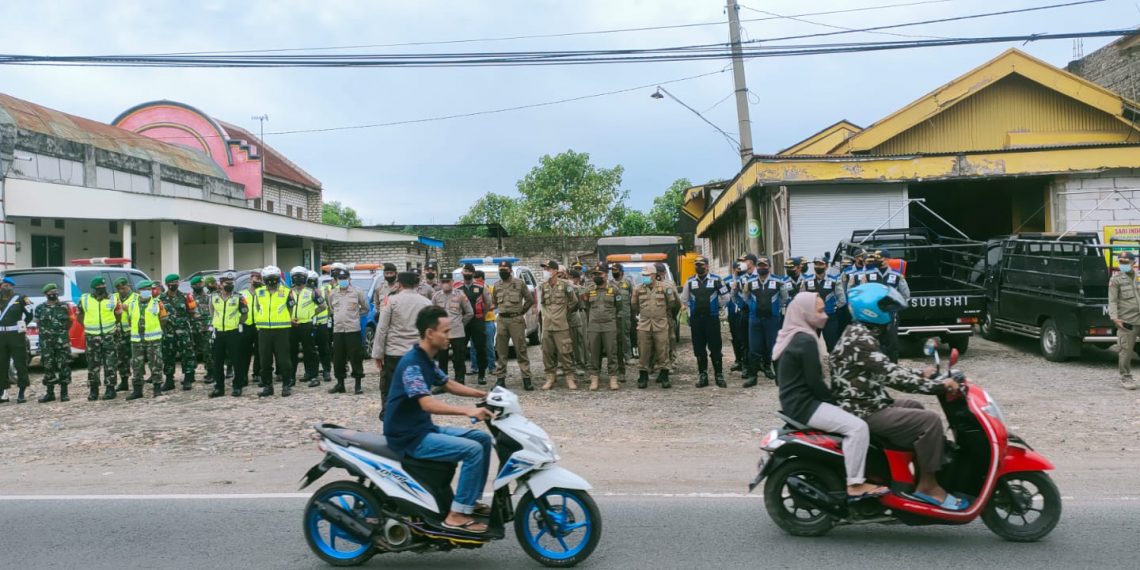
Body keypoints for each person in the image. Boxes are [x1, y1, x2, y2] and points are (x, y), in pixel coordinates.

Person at [831, 283, 966, 511]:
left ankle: (911, 471)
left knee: (914, 407)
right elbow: (894, 377)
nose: (892, 314)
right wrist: (939, 386)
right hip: (861, 410)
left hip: (867, 401)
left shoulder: (860, 332)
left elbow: (885, 368)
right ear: (872, 310)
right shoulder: (860, 339)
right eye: (888, 309)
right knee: (929, 421)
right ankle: (928, 485)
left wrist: (920, 373)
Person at [383, 305, 494, 533]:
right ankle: (456, 515)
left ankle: (469, 501)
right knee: (472, 450)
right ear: (429, 333)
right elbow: (427, 403)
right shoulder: (412, 363)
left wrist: (483, 394)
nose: (449, 336)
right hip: (409, 437)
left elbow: (447, 384)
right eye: (445, 331)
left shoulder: (425, 359)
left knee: (481, 439)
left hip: (423, 429)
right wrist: (467, 411)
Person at [775, 293, 887, 499]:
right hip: (805, 405)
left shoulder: (793, 334)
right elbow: (815, 382)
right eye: (819, 311)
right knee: (858, 427)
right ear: (804, 313)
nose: (824, 315)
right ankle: (855, 484)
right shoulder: (805, 340)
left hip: (795, 401)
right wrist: (834, 402)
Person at [374, 272, 433, 409]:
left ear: (399, 284)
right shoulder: (426, 302)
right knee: (416, 386)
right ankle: (413, 411)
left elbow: (382, 328)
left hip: (394, 351)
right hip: (416, 352)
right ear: (416, 284)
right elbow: (430, 330)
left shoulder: (392, 301)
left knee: (390, 385)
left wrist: (378, 354)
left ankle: (388, 412)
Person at [680, 256, 730, 388]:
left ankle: (719, 374)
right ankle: (703, 375)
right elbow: (684, 299)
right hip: (696, 319)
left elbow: (726, 297)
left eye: (701, 265)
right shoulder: (690, 281)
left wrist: (717, 307)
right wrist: (692, 309)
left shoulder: (716, 280)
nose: (699, 267)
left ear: (707, 266)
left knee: (715, 347)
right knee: (699, 347)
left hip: (711, 318)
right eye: (697, 265)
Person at [631, 263, 679, 389]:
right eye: (643, 275)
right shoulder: (637, 289)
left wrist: (662, 314)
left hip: (660, 323)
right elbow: (634, 306)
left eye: (647, 275)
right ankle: (643, 376)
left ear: (654, 275)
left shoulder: (665, 287)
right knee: (643, 351)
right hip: (644, 324)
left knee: (662, 349)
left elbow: (672, 304)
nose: (645, 277)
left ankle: (664, 375)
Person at [491, 260, 535, 391]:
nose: (502, 270)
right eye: (500, 268)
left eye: (505, 268)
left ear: (510, 270)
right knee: (501, 351)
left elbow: (530, 300)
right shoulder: (496, 285)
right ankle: (500, 380)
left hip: (516, 320)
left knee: (520, 350)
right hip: (502, 320)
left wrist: (521, 312)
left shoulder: (519, 283)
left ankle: (526, 379)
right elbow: (494, 303)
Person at [252, 265, 295, 398]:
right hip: (264, 331)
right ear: (264, 280)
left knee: (283, 360)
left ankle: (286, 385)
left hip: (282, 330)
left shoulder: (287, 291)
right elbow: (257, 309)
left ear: (278, 279)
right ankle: (267, 386)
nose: (271, 282)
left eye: (274, 279)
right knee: (265, 360)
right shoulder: (259, 292)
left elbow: (291, 308)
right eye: (268, 279)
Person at [77, 276, 123, 401]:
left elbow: (118, 316)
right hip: (92, 337)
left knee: (110, 364)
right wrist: (88, 326)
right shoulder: (85, 299)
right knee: (93, 365)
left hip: (109, 336)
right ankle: (93, 390)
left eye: (103, 287)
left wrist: (111, 325)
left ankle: (110, 389)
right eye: (99, 288)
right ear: (94, 289)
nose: (101, 289)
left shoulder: (113, 298)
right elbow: (79, 316)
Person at [859, 250, 909, 363]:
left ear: (886, 260)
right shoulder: (867, 275)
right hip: (873, 315)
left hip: (890, 315)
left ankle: (893, 368)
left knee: (892, 343)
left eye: (879, 258)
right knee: (874, 343)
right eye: (876, 258)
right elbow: (863, 292)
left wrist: (896, 307)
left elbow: (906, 295)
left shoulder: (896, 275)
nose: (876, 261)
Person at [327, 264, 370, 395]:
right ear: (337, 280)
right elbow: (331, 309)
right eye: (340, 278)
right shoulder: (333, 293)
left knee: (356, 357)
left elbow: (365, 308)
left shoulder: (357, 292)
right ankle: (340, 384)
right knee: (338, 358)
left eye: (345, 278)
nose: (342, 280)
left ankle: (358, 384)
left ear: (349, 279)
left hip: (353, 330)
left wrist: (354, 316)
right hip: (338, 330)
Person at [744, 256, 787, 386]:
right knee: (754, 348)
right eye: (760, 265)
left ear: (769, 267)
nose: (762, 267)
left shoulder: (779, 282)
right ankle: (753, 377)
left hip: (772, 320)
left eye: (765, 265)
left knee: (774, 347)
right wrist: (753, 307)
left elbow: (784, 299)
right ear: (757, 267)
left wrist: (773, 309)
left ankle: (779, 377)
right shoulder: (750, 282)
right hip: (755, 319)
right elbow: (746, 298)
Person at [538, 260, 578, 390]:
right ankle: (550, 376)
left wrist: (564, 314)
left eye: (548, 269)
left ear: (555, 271)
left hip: (561, 325)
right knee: (547, 352)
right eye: (544, 269)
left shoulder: (565, 286)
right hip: (548, 325)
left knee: (565, 351)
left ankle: (569, 377)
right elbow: (542, 303)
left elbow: (574, 301)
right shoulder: (543, 286)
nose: (546, 272)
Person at [125, 280, 168, 399]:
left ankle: (157, 389)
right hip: (137, 340)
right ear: (139, 291)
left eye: (149, 289)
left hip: (153, 339)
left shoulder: (157, 303)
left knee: (156, 364)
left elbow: (163, 319)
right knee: (136, 365)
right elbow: (130, 320)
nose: (148, 292)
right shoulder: (132, 304)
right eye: (145, 290)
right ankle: (137, 390)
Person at [209, 272, 248, 398]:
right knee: (217, 362)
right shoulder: (213, 297)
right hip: (219, 333)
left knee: (237, 361)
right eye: (227, 284)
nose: (230, 286)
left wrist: (237, 323)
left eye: (231, 284)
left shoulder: (239, 297)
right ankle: (218, 388)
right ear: (221, 285)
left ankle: (237, 387)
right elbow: (212, 312)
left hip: (233, 333)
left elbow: (244, 314)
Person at [583, 262, 621, 391]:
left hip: (609, 325)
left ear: (606, 275)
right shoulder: (589, 290)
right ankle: (594, 377)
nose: (596, 276)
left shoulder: (614, 290)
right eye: (595, 274)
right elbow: (587, 307)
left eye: (599, 274)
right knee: (593, 352)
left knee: (611, 352)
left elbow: (619, 307)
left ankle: (613, 377)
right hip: (594, 325)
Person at [35, 283, 73, 403]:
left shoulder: (64, 306)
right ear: (46, 294)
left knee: (64, 366)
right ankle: (50, 393)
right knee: (48, 366)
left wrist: (62, 332)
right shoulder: (40, 308)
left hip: (62, 342)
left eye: (55, 292)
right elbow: (38, 323)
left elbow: (70, 322)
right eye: (50, 292)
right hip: (46, 343)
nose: (53, 294)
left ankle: (64, 393)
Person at [432, 278, 473, 383]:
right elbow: (431, 313)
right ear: (440, 283)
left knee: (459, 357)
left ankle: (459, 380)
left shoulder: (460, 295)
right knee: (442, 358)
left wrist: (460, 323)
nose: (445, 284)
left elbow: (469, 312)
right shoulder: (436, 296)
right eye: (443, 282)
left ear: (452, 282)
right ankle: (443, 382)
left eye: (448, 281)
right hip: (442, 333)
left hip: (457, 332)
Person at [160, 274, 197, 392]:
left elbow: (192, 312)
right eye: (172, 282)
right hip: (168, 333)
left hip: (183, 332)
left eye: (176, 282)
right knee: (168, 356)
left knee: (187, 355)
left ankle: (187, 379)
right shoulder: (161, 299)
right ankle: (169, 380)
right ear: (167, 284)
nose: (175, 284)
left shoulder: (186, 297)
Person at [1109, 251, 1140, 390]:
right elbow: (1113, 301)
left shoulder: (1138, 277)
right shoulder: (1116, 280)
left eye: (1125, 262)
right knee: (1126, 350)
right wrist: (1115, 318)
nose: (1123, 264)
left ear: (1133, 262)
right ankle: (1126, 377)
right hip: (1127, 320)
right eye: (1120, 262)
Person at [288, 266, 323, 387]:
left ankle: (313, 375)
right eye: (295, 277)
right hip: (292, 325)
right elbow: (284, 308)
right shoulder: (288, 292)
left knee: (310, 351)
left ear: (305, 278)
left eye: (301, 277)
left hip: (307, 325)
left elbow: (323, 306)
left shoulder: (312, 291)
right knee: (292, 352)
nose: (298, 279)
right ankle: (291, 377)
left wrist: (312, 313)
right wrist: (289, 319)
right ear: (292, 278)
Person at [804, 257, 847, 352]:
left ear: (826, 266)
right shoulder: (806, 280)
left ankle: (833, 364)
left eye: (821, 264)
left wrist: (833, 308)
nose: (818, 266)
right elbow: (802, 298)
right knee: (810, 346)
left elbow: (842, 300)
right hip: (812, 319)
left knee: (832, 346)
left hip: (829, 318)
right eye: (816, 264)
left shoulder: (834, 280)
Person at [0, 277, 32, 403]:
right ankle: (3, 392)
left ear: (12, 286)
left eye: (7, 285)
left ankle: (21, 391)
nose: (4, 287)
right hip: (1, 335)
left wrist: (23, 324)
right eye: (3, 285)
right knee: (2, 364)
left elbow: (30, 313)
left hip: (16, 335)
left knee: (20, 363)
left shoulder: (20, 298)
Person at [459, 264, 491, 384]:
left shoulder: (481, 286)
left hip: (477, 321)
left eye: (468, 271)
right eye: (464, 271)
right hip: (462, 322)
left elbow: (488, 303)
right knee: (460, 349)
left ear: (473, 273)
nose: (466, 273)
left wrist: (483, 315)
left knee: (480, 348)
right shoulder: (457, 287)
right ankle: (460, 375)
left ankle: (482, 374)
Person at [726, 256, 750, 376]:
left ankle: (749, 362)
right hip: (732, 312)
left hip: (744, 311)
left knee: (745, 338)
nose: (738, 270)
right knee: (735, 337)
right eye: (737, 268)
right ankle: (738, 360)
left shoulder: (748, 280)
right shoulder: (727, 280)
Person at [610, 263, 634, 382]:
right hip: (613, 315)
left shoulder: (627, 283)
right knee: (615, 337)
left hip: (625, 313)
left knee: (625, 334)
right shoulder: (610, 283)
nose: (614, 272)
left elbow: (632, 297)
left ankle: (627, 356)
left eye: (616, 270)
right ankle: (615, 358)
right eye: (612, 270)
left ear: (621, 271)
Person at [239, 271, 262, 387]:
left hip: (259, 326)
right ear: (250, 279)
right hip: (246, 325)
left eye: (259, 279)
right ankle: (243, 375)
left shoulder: (263, 294)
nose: (257, 281)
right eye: (255, 278)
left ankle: (257, 373)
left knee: (260, 352)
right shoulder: (242, 294)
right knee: (245, 353)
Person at [112, 277, 136, 392]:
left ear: (128, 286)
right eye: (119, 289)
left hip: (133, 332)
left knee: (136, 358)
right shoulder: (114, 298)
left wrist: (129, 308)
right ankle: (124, 382)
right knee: (121, 358)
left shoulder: (136, 297)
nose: (121, 291)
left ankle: (137, 381)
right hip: (119, 333)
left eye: (123, 288)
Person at [189, 276, 214, 384]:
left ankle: (211, 373)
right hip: (193, 328)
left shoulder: (209, 297)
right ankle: (190, 374)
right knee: (192, 352)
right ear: (193, 286)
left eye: (201, 284)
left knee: (208, 351)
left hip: (206, 328)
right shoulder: (189, 298)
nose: (200, 286)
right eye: (198, 284)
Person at [311, 271, 333, 383]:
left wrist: (329, 320)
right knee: (311, 351)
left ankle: (326, 370)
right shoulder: (303, 292)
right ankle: (311, 373)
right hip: (309, 325)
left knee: (324, 348)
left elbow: (329, 306)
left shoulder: (323, 290)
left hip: (322, 324)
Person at [567, 267, 588, 377]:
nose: (569, 279)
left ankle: (581, 363)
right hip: (566, 317)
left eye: (571, 278)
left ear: (576, 279)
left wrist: (574, 287)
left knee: (579, 340)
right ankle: (570, 364)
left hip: (577, 315)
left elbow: (582, 301)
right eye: (568, 277)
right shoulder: (566, 287)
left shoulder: (580, 288)